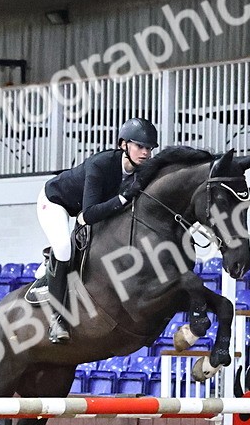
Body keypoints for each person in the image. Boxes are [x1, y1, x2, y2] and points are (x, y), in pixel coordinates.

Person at [26, 117, 159, 343]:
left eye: (149, 148)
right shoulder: (101, 164)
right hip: (56, 202)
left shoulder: (141, 172)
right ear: (123, 145)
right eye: (139, 146)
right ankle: (58, 319)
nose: (145, 152)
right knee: (64, 247)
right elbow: (88, 215)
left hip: (86, 210)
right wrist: (123, 197)